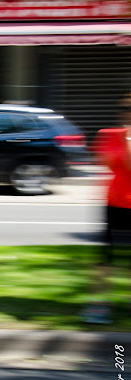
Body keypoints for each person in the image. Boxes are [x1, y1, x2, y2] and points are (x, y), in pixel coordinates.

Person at [82, 92, 131, 324]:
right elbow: (104, 161)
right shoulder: (109, 135)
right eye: (124, 109)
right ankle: (99, 305)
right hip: (114, 202)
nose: (127, 114)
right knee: (105, 257)